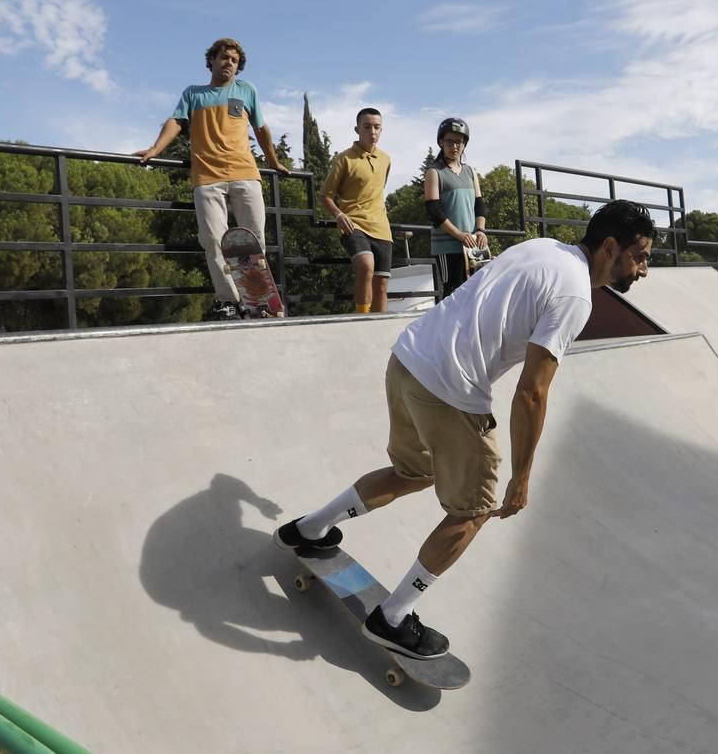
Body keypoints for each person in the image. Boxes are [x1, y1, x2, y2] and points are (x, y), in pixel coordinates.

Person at [275, 200, 655, 659]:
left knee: (413, 472)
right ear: (610, 248)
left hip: (408, 359)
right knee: (473, 512)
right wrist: (521, 476)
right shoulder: (576, 294)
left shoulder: (542, 247)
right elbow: (532, 392)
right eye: (641, 256)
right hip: (450, 391)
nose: (644, 269)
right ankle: (392, 618)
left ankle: (311, 529)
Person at [133, 38, 292, 320]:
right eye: (223, 57)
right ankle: (230, 301)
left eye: (233, 60)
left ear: (238, 66)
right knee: (214, 241)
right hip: (207, 177)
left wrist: (274, 161)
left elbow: (262, 129)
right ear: (212, 61)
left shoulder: (247, 91)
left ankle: (259, 302)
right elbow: (175, 122)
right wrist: (155, 149)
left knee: (253, 241)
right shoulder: (193, 94)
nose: (228, 62)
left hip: (245, 173)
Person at [322, 108, 394, 313]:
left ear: (381, 130)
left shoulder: (386, 159)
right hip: (353, 224)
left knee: (381, 284)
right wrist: (339, 214)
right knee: (365, 265)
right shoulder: (344, 159)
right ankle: (362, 320)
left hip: (381, 227)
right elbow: (325, 195)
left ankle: (380, 333)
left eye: (377, 127)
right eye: (367, 126)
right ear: (357, 129)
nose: (373, 131)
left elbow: (378, 190)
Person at [424, 117, 487, 298]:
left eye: (459, 142)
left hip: (472, 245)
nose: (454, 146)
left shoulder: (470, 171)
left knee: (474, 292)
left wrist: (481, 230)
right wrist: (458, 234)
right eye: (449, 141)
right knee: (452, 293)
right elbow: (433, 210)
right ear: (441, 142)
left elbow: (480, 205)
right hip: (447, 246)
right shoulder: (434, 172)